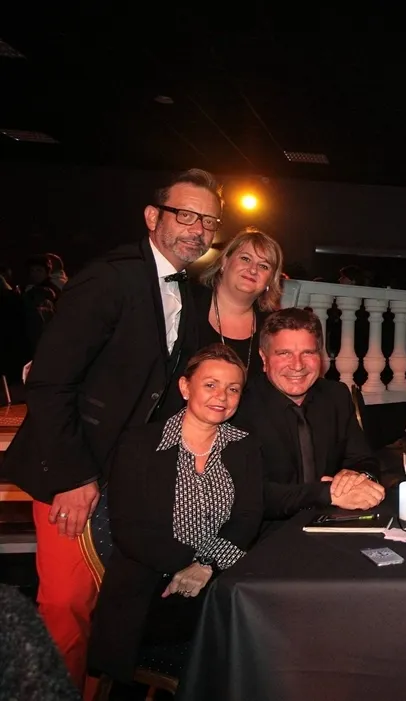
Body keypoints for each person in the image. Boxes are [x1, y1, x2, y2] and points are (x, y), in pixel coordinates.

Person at [0, 168, 221, 693]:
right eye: (186, 215)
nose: (198, 229)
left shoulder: (185, 292)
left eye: (209, 221)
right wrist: (74, 478)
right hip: (72, 469)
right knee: (67, 605)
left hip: (125, 475)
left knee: (109, 607)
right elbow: (50, 383)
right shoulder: (109, 278)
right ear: (153, 217)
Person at [89, 344, 263, 684]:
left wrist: (207, 566)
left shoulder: (245, 445)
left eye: (233, 389)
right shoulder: (139, 444)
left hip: (217, 580)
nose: (222, 396)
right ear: (185, 387)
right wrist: (189, 566)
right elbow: (129, 529)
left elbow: (247, 517)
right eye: (210, 385)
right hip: (151, 590)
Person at [231, 308, 385, 529]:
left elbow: (365, 460)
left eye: (308, 353)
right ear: (264, 358)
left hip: (333, 523)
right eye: (284, 353)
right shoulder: (240, 406)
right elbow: (252, 494)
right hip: (266, 535)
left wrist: (356, 477)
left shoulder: (336, 396)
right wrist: (325, 493)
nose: (297, 365)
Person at [194, 226, 284, 378]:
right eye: (245, 259)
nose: (253, 270)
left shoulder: (273, 327)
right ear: (225, 261)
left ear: (271, 280)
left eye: (264, 266)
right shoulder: (186, 303)